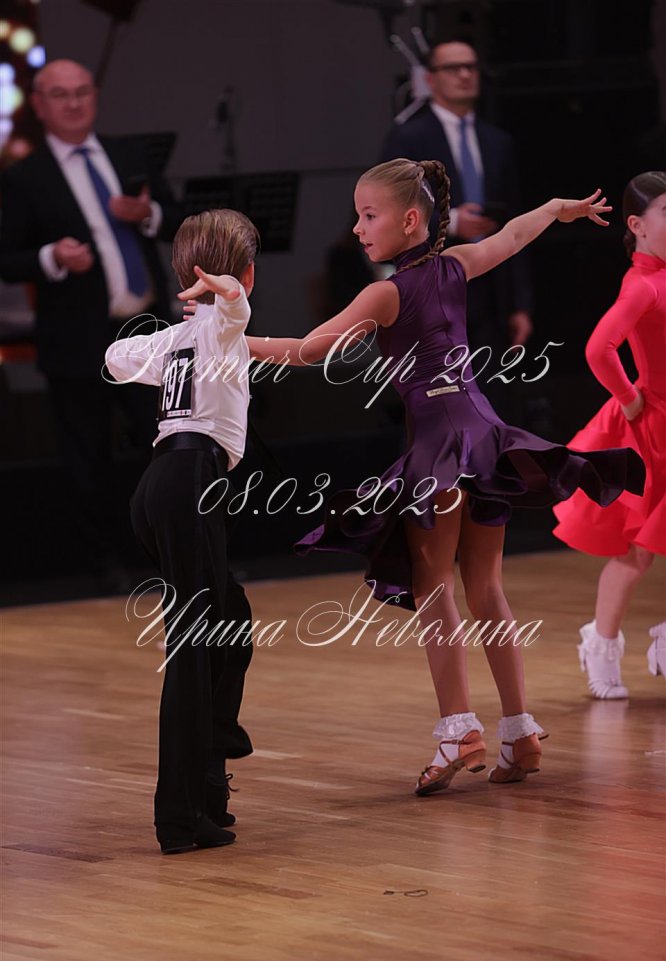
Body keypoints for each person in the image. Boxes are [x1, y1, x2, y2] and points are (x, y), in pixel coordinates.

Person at [179, 158, 645, 795]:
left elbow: (311, 350)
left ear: (409, 220)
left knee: (433, 589)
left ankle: (460, 731)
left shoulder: (386, 293)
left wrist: (229, 339)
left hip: (437, 447)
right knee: (487, 588)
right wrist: (558, 210)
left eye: (368, 215)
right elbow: (512, 236)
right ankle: (519, 732)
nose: (357, 228)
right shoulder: (456, 266)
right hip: (485, 435)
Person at [105, 208, 258, 854]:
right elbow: (234, 313)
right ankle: (180, 815)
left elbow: (116, 356)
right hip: (188, 482)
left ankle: (210, 772)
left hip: (161, 488)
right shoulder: (221, 327)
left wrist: (180, 329)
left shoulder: (186, 337)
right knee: (194, 649)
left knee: (231, 619)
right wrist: (227, 301)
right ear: (246, 274)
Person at [0, 59, 180, 587]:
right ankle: (105, 565)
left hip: (148, 330)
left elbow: (177, 217)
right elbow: (6, 257)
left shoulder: (130, 154)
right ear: (39, 105)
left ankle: (182, 560)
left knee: (171, 448)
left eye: (82, 91)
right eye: (61, 94)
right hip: (78, 337)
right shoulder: (24, 177)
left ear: (95, 96)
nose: (74, 103)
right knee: (89, 456)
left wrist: (146, 215)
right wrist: (52, 257)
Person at [553, 171, 666, 699]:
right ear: (638, 225)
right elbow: (599, 349)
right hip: (651, 430)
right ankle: (600, 643)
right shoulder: (641, 284)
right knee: (636, 552)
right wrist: (628, 397)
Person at [381, 40, 533, 364]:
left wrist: (520, 303)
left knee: (492, 383)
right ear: (431, 79)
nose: (464, 75)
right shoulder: (407, 138)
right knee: (442, 382)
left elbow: (516, 218)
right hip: (435, 278)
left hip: (491, 282)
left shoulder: (497, 141)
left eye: (471, 67)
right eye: (453, 68)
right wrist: (451, 222)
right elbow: (390, 212)